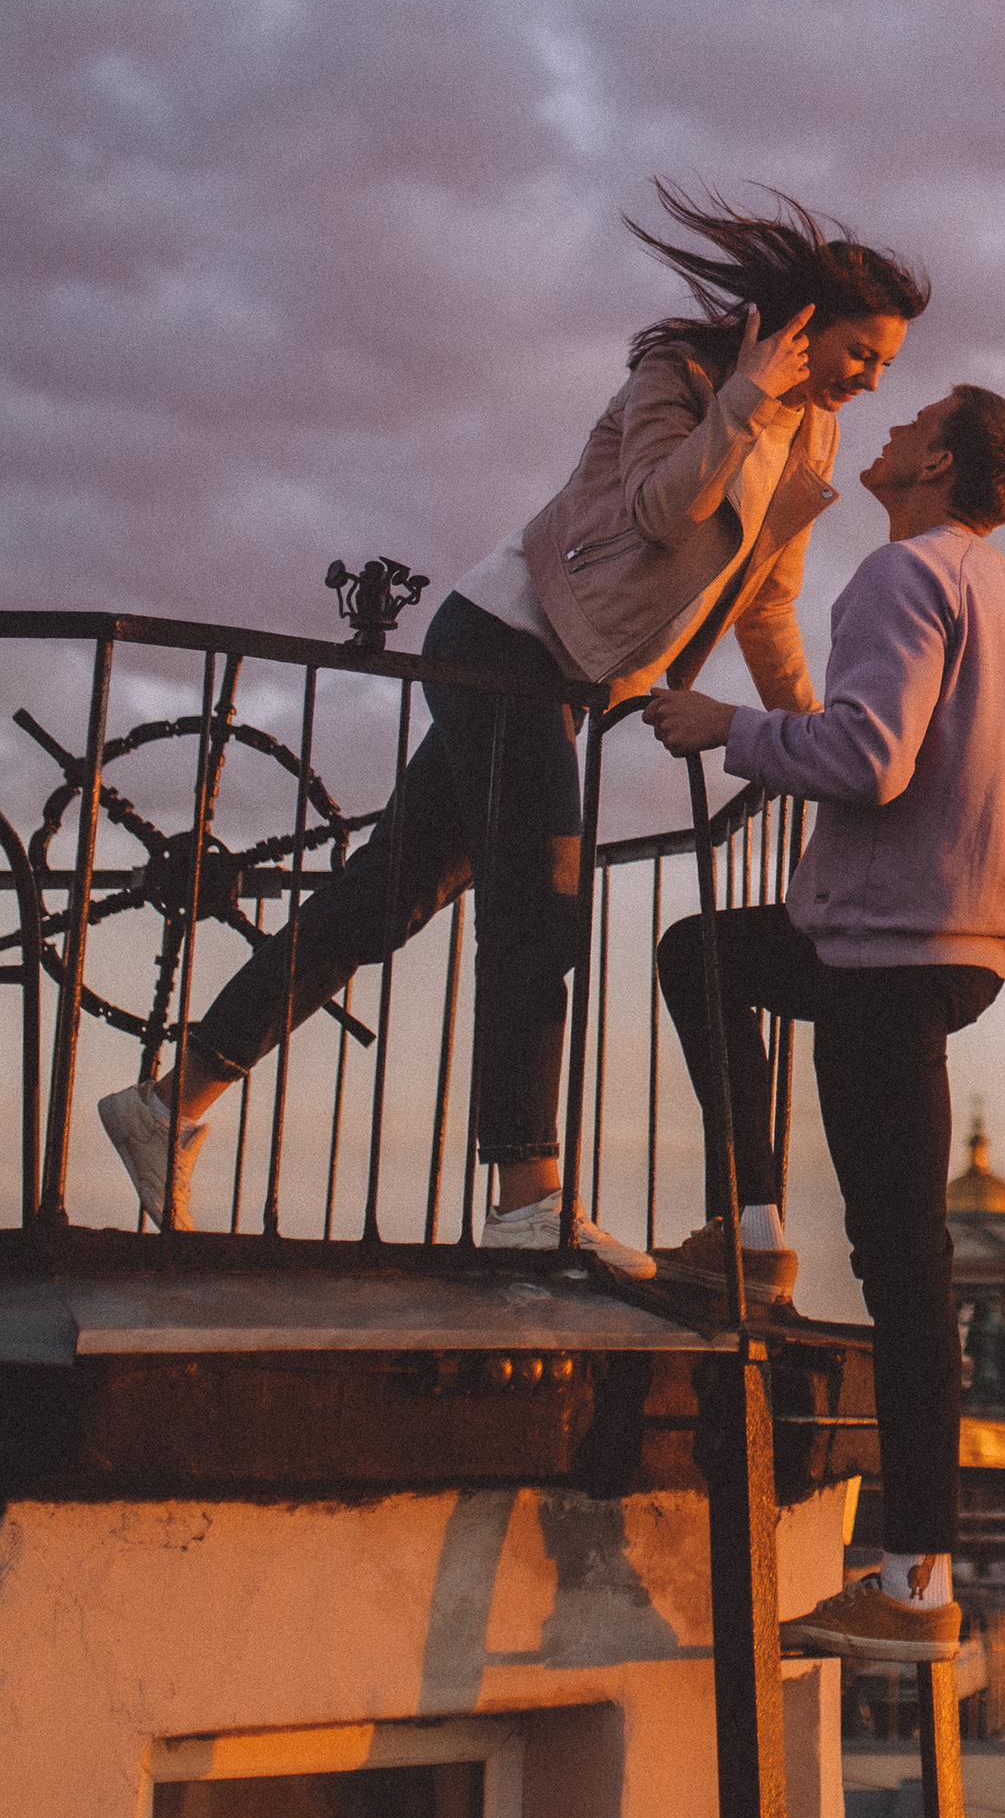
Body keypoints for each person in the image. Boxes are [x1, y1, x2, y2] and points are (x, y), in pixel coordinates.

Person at [98, 186, 927, 1272]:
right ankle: (526, 1195)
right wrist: (740, 401)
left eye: (885, 364)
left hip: (562, 677)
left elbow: (764, 598)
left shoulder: (811, 429)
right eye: (862, 352)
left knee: (384, 896)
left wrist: (808, 738)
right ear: (803, 327)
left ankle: (168, 1103)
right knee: (539, 907)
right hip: (501, 641)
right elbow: (662, 510)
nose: (871, 379)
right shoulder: (680, 374)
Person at [644, 377, 1005, 1660]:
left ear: (938, 463)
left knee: (905, 1272)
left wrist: (726, 726)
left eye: (912, 425)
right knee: (707, 955)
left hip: (884, 950)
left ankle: (914, 1585)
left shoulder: (904, 575)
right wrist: (972, 824)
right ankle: (749, 1235)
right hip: (959, 951)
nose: (888, 430)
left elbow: (865, 757)